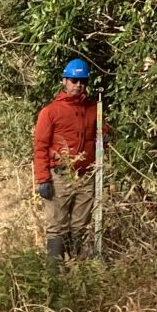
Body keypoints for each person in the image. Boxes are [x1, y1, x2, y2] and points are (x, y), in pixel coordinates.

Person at [33, 58, 100, 260]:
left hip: (85, 177)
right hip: (60, 177)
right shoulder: (50, 112)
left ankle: (75, 268)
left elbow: (101, 135)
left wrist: (105, 136)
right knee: (57, 226)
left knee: (81, 225)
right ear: (64, 81)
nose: (78, 85)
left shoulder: (94, 109)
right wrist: (43, 179)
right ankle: (55, 272)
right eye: (74, 80)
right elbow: (40, 146)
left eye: (83, 81)